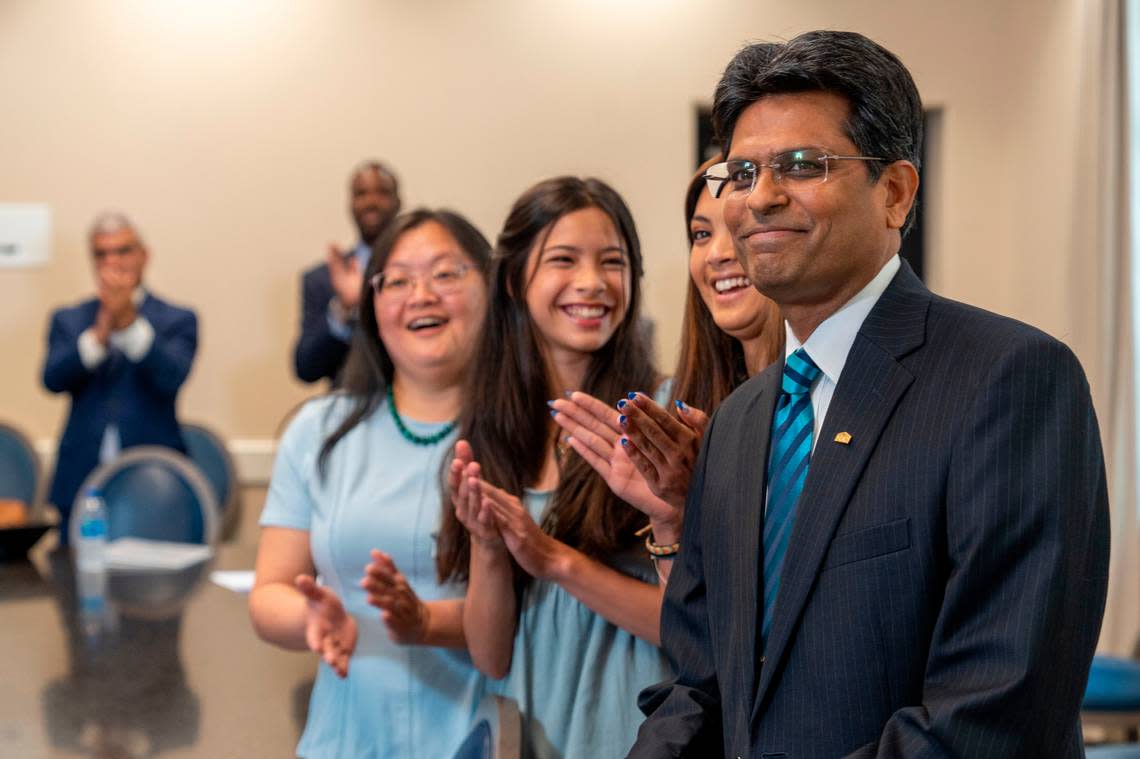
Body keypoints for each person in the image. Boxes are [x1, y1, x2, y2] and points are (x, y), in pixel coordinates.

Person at [629, 30, 1110, 758]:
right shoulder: (738, 423)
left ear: (895, 192)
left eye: (801, 165)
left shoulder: (1011, 380)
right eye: (743, 171)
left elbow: (994, 713)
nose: (760, 197)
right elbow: (698, 682)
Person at [428, 176, 673, 758]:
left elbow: (689, 627)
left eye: (612, 262)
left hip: (636, 736)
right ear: (515, 280)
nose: (592, 283)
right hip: (528, 737)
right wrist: (490, 547)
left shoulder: (662, 419)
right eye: (563, 260)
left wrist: (556, 561)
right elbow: (490, 656)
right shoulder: (490, 436)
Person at [250, 209, 492, 758]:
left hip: (479, 735)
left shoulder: (525, 436)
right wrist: (309, 615)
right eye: (397, 280)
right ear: (373, 306)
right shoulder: (319, 430)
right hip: (344, 739)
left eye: (445, 274)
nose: (420, 294)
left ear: (492, 288)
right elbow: (270, 592)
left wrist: (427, 621)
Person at [549, 152, 785, 583]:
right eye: (700, 234)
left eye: (737, 229)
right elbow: (690, 625)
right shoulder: (693, 405)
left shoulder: (812, 404)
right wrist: (671, 518)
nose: (716, 254)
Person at [42, 212, 198, 539]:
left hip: (154, 480)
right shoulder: (70, 319)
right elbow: (52, 379)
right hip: (80, 480)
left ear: (143, 255)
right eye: (101, 253)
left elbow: (170, 377)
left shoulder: (177, 319)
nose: (112, 260)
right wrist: (97, 337)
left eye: (123, 250)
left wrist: (127, 322)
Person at [293, 160, 401, 385]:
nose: (371, 202)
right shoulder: (321, 279)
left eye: (382, 192)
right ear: (350, 203)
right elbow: (305, 368)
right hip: (349, 408)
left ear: (398, 202)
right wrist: (344, 309)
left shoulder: (422, 273)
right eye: (361, 194)